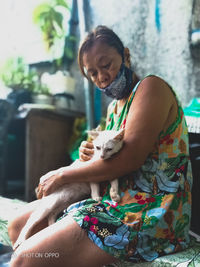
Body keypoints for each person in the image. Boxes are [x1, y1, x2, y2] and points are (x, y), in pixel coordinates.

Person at [8, 25, 193, 267]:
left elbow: (129, 159)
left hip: (150, 216)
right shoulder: (115, 107)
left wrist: (62, 174)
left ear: (125, 55)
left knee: (26, 259)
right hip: (112, 203)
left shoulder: (151, 88)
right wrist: (90, 153)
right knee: (17, 226)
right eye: (92, 73)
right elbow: (107, 156)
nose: (101, 77)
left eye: (106, 65)